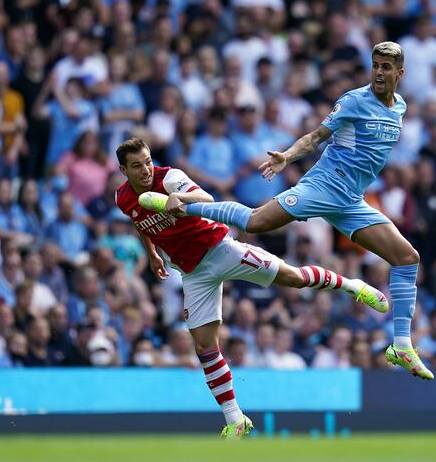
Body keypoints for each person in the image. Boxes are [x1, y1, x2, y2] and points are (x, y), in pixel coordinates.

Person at [140, 42, 434, 380]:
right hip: (325, 186)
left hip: (353, 199)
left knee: (407, 257)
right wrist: (287, 157)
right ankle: (188, 205)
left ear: (401, 74)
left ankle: (401, 345)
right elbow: (315, 137)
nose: (379, 73)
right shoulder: (355, 101)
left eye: (386, 67)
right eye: (375, 65)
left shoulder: (399, 107)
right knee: (255, 222)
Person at [115, 138, 387, 438]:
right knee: (205, 346)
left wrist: (181, 200)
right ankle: (235, 419)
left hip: (219, 249)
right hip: (192, 272)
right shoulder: (123, 198)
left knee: (294, 278)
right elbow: (140, 222)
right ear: (123, 170)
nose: (145, 170)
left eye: (148, 161)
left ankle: (353, 285)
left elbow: (205, 198)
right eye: (137, 166)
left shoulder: (170, 178)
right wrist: (152, 253)